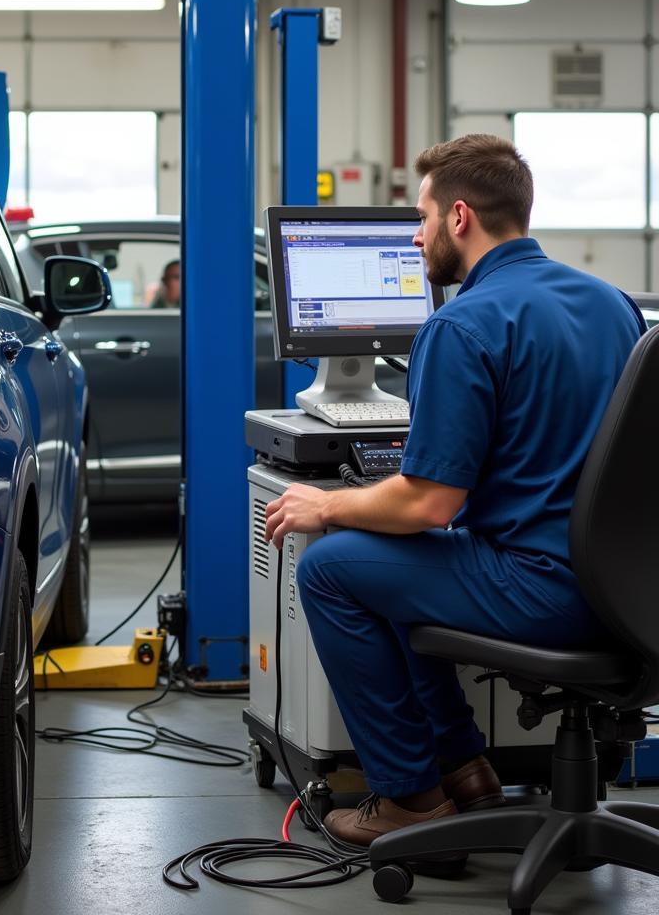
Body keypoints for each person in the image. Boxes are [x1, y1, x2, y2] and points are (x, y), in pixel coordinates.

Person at [264, 134, 646, 846]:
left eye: (423, 217)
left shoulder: (461, 325)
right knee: (401, 559)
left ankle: (410, 798)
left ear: (460, 217)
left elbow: (426, 503)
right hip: (631, 591)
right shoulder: (613, 305)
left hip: (548, 591)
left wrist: (328, 504)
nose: (416, 236)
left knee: (331, 567)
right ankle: (464, 767)